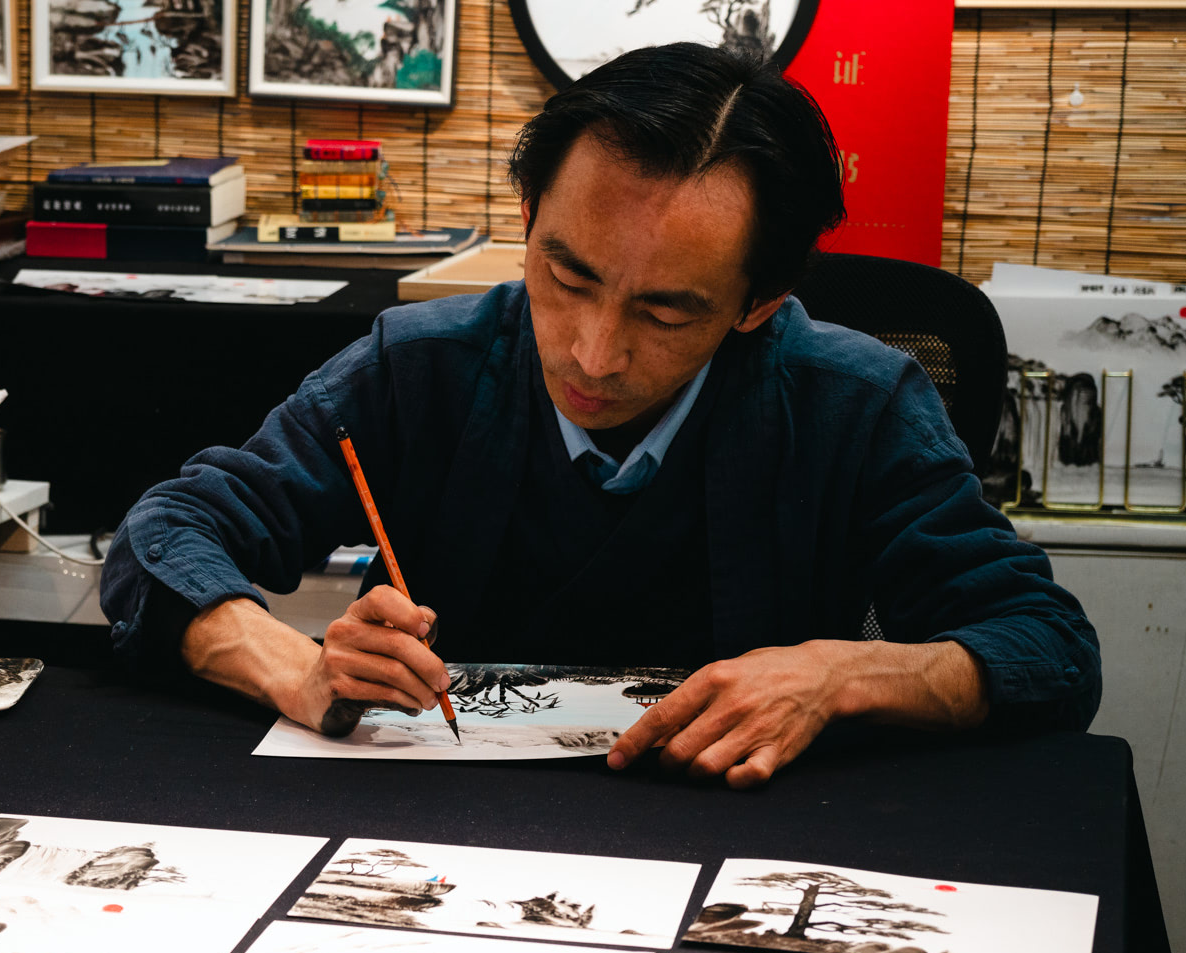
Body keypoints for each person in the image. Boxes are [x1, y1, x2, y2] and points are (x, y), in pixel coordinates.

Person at [99, 42, 1100, 788]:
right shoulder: (424, 367)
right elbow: (163, 538)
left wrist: (837, 674)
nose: (590, 352)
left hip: (735, 843)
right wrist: (295, 665)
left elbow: (1042, 645)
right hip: (444, 828)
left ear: (756, 302)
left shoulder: (849, 402)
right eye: (563, 276)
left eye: (664, 311)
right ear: (529, 219)